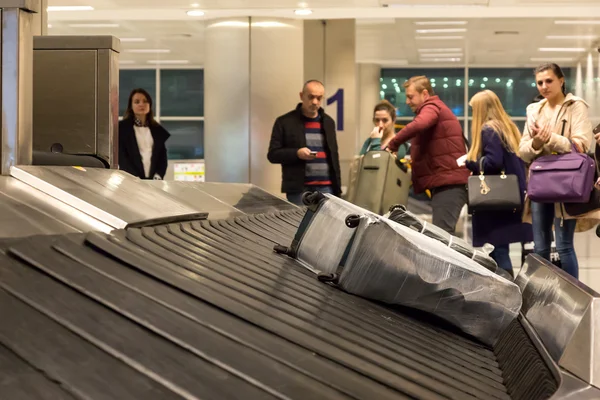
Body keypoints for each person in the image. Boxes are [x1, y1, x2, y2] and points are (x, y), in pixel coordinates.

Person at [519, 63, 594, 279]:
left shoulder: (575, 106)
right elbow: (523, 152)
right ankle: (542, 293)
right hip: (541, 181)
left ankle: (573, 298)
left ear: (561, 80)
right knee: (540, 246)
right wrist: (536, 143)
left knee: (563, 245)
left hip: (566, 182)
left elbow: (581, 145)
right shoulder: (534, 110)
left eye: (549, 81)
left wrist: (550, 139)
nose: (544, 86)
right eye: (539, 82)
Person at [385, 75, 470, 234]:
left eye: (410, 97)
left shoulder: (431, 107)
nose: (407, 101)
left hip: (449, 184)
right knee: (443, 236)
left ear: (424, 94)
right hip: (446, 182)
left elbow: (419, 124)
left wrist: (393, 143)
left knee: (442, 237)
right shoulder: (435, 109)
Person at [464, 90, 533, 276]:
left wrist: (471, 162)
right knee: (502, 247)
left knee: (496, 249)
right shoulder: (507, 127)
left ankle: (507, 291)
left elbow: (493, 162)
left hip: (494, 203)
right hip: (509, 197)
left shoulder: (489, 129)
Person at [267, 80, 342, 205]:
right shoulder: (285, 122)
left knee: (325, 224)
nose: (315, 102)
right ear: (302, 96)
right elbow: (273, 154)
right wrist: (297, 153)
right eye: (311, 97)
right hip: (299, 190)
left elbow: (334, 157)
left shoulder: (329, 122)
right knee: (300, 223)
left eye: (319, 98)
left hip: (327, 189)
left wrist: (337, 189)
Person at [119, 88, 170, 180]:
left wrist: (158, 175)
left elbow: (162, 157)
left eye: (145, 101)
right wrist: (134, 177)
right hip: (131, 180)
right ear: (131, 106)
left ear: (150, 105)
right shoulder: (122, 129)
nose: (141, 104)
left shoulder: (157, 130)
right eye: (137, 102)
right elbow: (122, 157)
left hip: (154, 181)